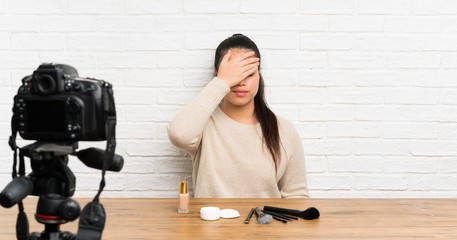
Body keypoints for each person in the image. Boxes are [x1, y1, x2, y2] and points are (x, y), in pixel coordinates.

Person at [167, 34, 309, 198]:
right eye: (234, 74)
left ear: (259, 76)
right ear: (217, 75)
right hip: (210, 223)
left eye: (248, 74)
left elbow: (296, 196)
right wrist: (222, 82)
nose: (241, 82)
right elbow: (179, 135)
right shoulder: (203, 122)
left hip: (265, 223)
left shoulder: (284, 130)